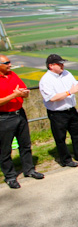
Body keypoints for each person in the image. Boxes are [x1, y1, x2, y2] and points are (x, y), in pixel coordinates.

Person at [38, 54, 78, 168]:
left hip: (71, 109)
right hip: (57, 113)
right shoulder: (45, 80)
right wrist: (69, 92)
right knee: (60, 138)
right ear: (51, 66)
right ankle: (66, 160)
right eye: (59, 64)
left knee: (77, 133)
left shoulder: (67, 74)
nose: (62, 65)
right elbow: (52, 98)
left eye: (63, 63)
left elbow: (75, 84)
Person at [0, 54, 44, 188]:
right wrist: (14, 95)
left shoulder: (13, 75)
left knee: (25, 144)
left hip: (20, 113)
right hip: (4, 117)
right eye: (6, 63)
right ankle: (10, 176)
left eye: (9, 62)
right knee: (5, 149)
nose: (10, 64)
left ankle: (29, 169)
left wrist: (24, 93)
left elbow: (24, 89)